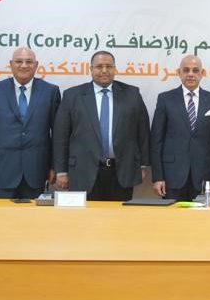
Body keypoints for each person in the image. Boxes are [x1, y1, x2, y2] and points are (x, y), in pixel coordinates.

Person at [52, 51, 150, 201]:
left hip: (121, 171)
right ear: (90, 69)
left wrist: (143, 165)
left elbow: (143, 132)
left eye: (108, 66)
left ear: (114, 69)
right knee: (87, 215)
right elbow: (60, 137)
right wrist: (61, 172)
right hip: (83, 171)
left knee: (120, 214)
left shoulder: (132, 94)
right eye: (99, 66)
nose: (104, 70)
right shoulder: (73, 95)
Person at [0, 47, 61, 199]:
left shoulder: (50, 91)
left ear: (36, 65)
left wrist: (55, 167)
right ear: (11, 64)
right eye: (19, 61)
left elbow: (58, 134)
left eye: (29, 62)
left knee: (34, 215)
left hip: (37, 171)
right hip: (1, 170)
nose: (24, 65)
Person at [150, 55, 210, 201]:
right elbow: (156, 140)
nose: (190, 74)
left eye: (195, 70)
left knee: (202, 216)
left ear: (202, 74)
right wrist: (158, 177)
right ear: (179, 73)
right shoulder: (165, 99)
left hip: (205, 177)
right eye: (186, 70)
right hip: (172, 176)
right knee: (172, 216)